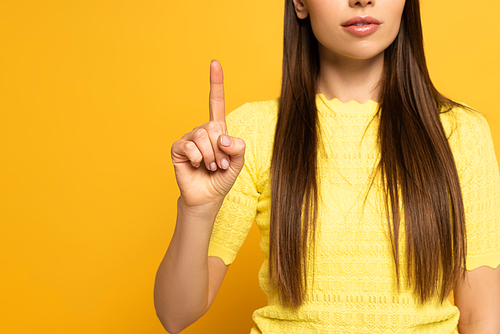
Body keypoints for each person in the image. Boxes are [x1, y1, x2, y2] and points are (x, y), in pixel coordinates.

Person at [154, 0, 500, 333]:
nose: (362, 0)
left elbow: (482, 319)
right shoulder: (252, 133)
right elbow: (175, 315)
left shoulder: (461, 133)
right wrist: (195, 210)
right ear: (300, 3)